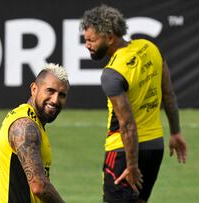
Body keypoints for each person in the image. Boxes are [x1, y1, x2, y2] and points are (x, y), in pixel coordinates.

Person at [80, 5, 188, 203]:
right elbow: (169, 94)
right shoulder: (149, 48)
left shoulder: (112, 73)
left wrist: (131, 166)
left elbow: (127, 124)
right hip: (155, 147)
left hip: (124, 153)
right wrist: (175, 132)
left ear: (110, 37)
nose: (87, 45)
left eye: (91, 40)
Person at [0, 63, 69, 203]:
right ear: (34, 89)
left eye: (61, 95)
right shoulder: (25, 127)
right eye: (50, 91)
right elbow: (39, 186)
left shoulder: (30, 122)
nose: (55, 100)